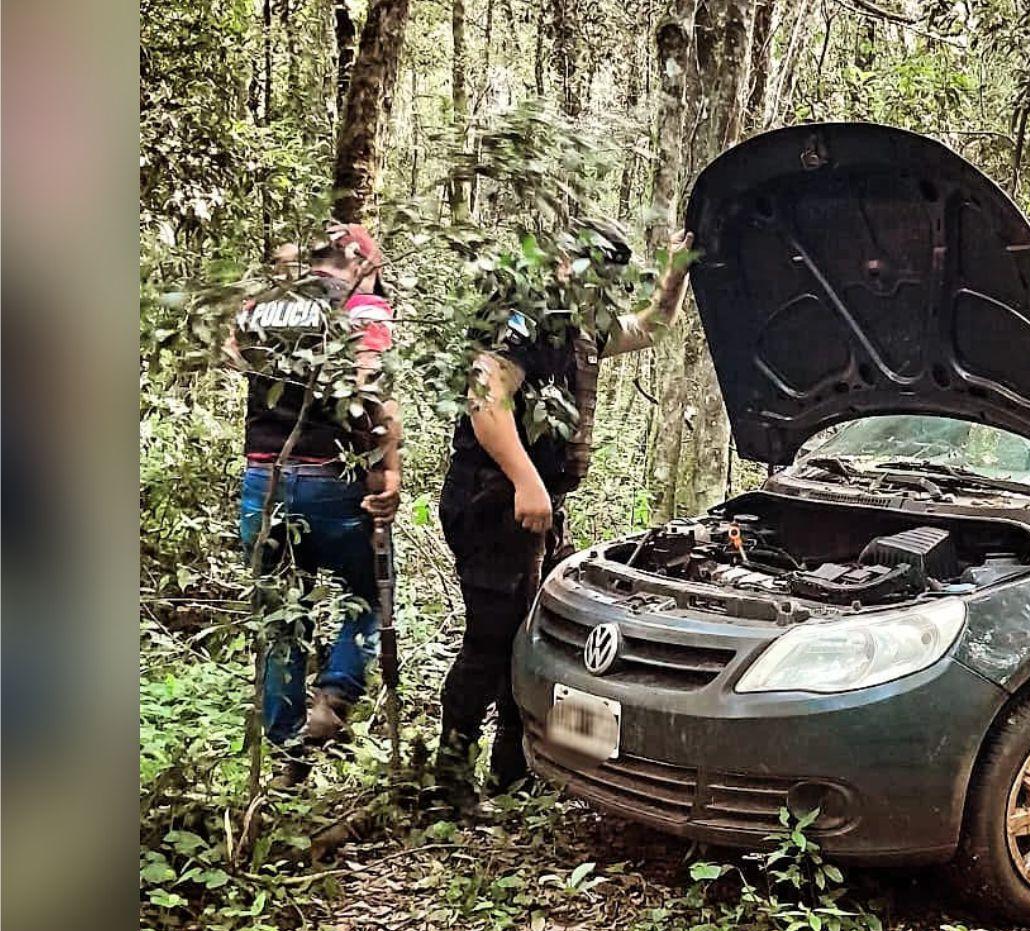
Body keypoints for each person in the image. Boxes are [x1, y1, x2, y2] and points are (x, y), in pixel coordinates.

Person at [435, 225, 694, 809]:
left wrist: (675, 274)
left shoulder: (582, 323)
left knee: (536, 632)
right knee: (493, 634)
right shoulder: (522, 311)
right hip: (491, 499)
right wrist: (526, 481)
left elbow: (649, 327)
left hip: (537, 506)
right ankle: (449, 778)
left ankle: (514, 769)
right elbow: (486, 396)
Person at [232, 223, 403, 786]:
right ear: (362, 263)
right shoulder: (362, 309)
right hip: (332, 479)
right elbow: (372, 390)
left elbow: (232, 353)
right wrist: (386, 472)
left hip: (264, 477)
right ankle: (335, 695)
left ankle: (286, 757)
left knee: (282, 616)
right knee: (368, 585)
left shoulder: (262, 305)